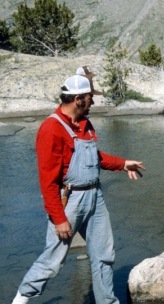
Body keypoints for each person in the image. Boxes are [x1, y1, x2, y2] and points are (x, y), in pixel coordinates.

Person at [12, 73, 145, 304]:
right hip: (69, 200)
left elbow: (94, 156)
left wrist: (122, 164)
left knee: (104, 255)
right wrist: (59, 217)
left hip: (96, 197)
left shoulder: (85, 122)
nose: (93, 101)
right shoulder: (51, 129)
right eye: (90, 97)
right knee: (53, 259)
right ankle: (21, 299)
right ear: (78, 99)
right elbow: (47, 181)